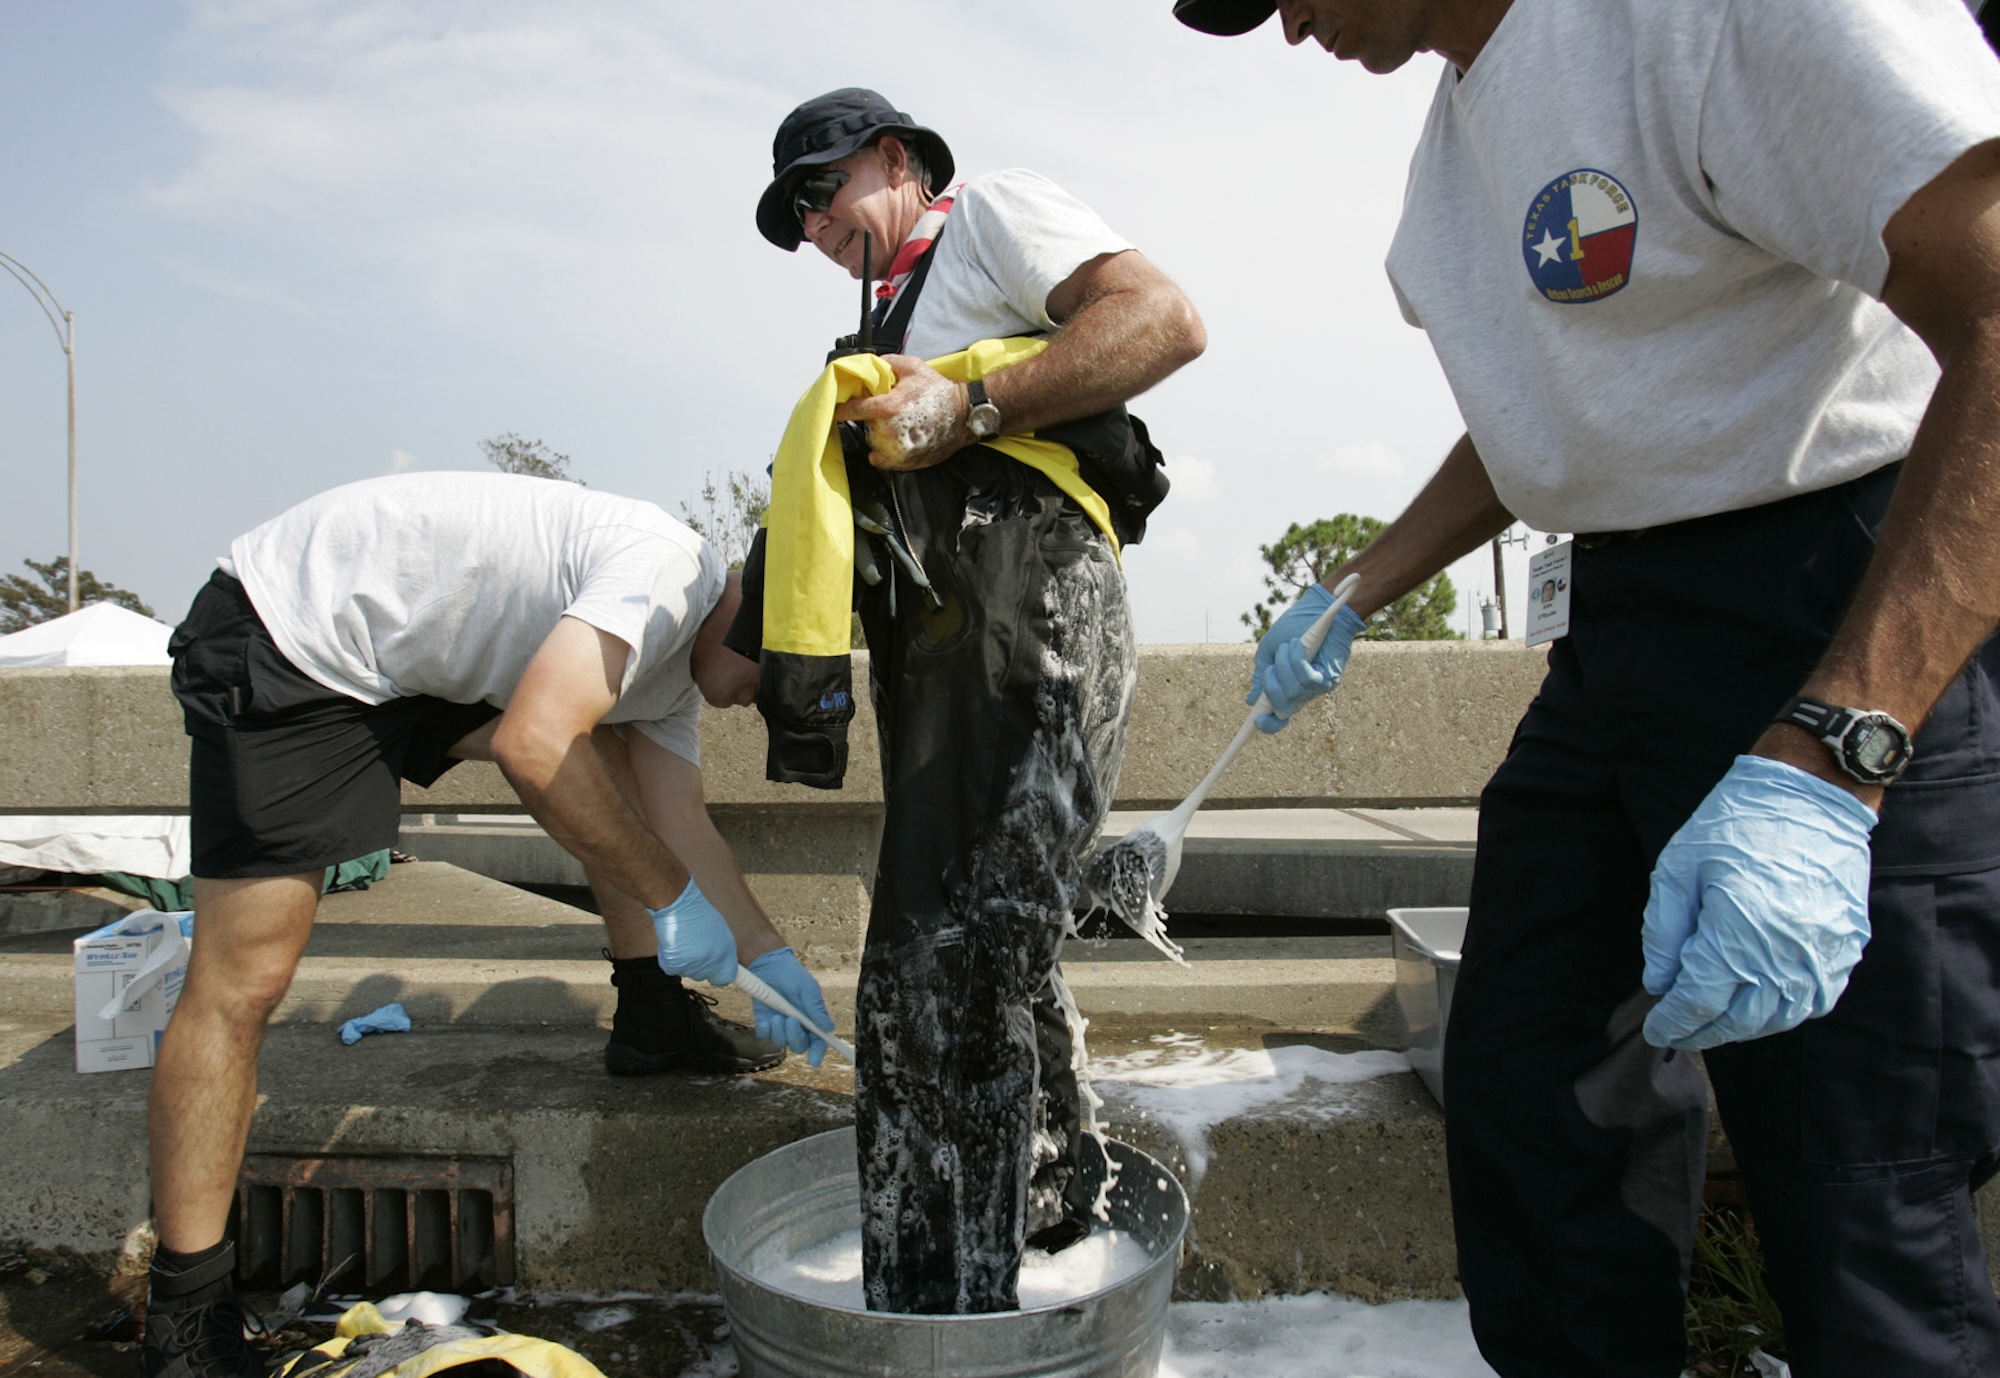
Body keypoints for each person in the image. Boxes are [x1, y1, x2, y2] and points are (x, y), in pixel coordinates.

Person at [1174, 2, 2000, 1375]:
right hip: (1618, 627)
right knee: (1536, 1098)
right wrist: (1357, 585)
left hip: (1838, 593)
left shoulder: (1700, 22)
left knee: (1858, 1181)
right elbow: (1558, 410)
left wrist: (1841, 744)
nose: (1282, 22)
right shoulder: (1457, 150)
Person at [141, 471, 836, 1378]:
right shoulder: (663, 574)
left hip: (411, 659)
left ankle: (652, 1018)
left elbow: (679, 823)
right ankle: (184, 1319)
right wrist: (671, 898)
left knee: (612, 782)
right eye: (772, 678)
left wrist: (769, 952)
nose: (758, 703)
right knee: (245, 980)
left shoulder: (671, 677)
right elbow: (533, 745)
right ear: (747, 614)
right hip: (300, 633)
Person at [747, 88, 1205, 1314]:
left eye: (819, 190)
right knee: (994, 949)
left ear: (894, 160)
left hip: (1028, 608)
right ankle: (1052, 1234)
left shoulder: (990, 214)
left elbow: (1160, 319)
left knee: (937, 970)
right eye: (792, 214)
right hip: (941, 662)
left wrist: (973, 407)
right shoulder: (871, 330)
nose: (809, 227)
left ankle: (939, 1318)